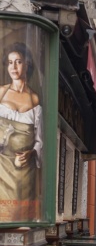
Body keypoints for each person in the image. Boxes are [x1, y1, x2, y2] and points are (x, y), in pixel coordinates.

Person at [0, 42, 42, 221]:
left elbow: (40, 139)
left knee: (22, 217)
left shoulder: (34, 99)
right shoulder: (1, 93)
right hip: (2, 166)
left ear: (27, 64)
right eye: (10, 62)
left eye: (18, 61)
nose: (13, 67)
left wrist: (32, 152)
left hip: (25, 171)